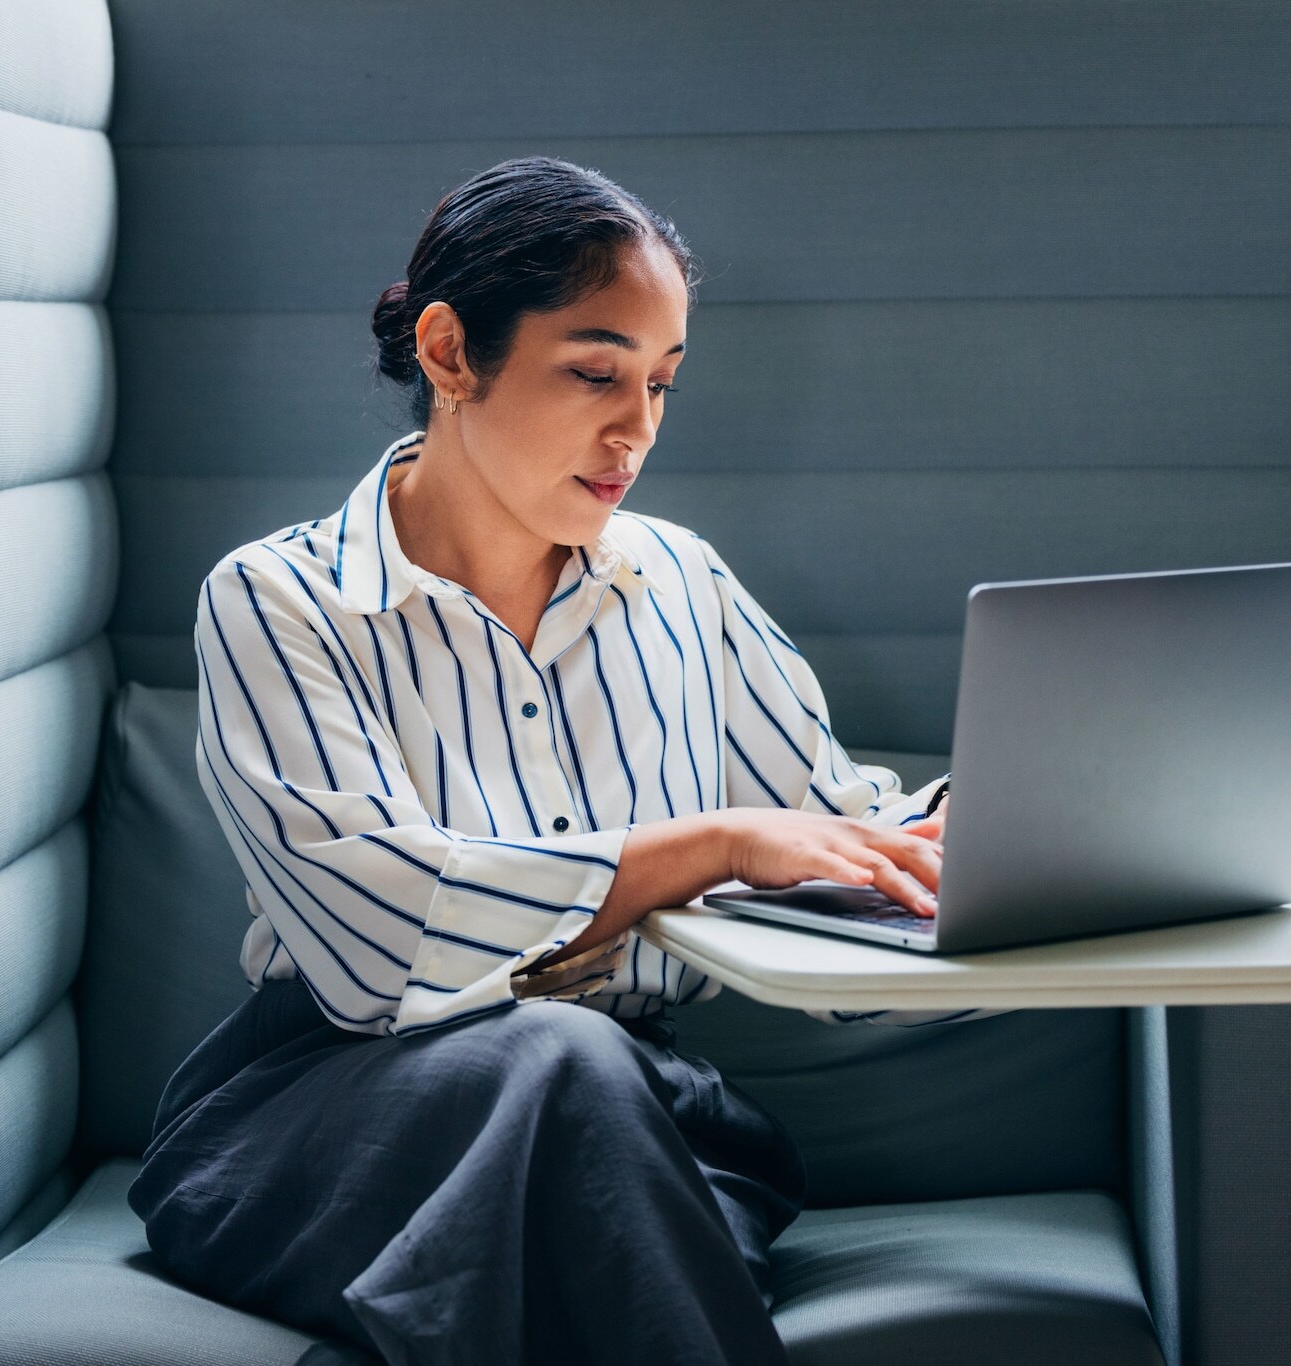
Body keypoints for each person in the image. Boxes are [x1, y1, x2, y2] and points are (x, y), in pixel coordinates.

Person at [126, 155, 1005, 1365]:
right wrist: (711, 845)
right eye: (594, 372)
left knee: (580, 1103)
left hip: (639, 1122)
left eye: (660, 383)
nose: (634, 429)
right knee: (559, 1066)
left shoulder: (682, 582)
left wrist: (983, 837)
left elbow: (835, 853)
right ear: (448, 354)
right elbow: (384, 947)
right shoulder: (280, 602)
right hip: (328, 1119)